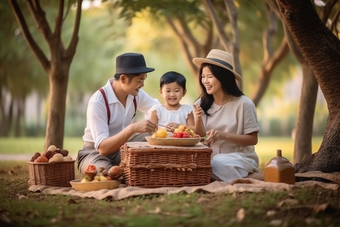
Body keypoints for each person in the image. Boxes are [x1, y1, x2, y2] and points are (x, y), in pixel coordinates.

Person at [77, 52, 160, 174]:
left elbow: (157, 107)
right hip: (94, 152)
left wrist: (152, 125)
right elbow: (103, 148)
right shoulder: (98, 101)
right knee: (106, 173)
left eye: (144, 80)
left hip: (122, 149)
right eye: (140, 80)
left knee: (153, 138)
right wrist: (132, 128)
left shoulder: (136, 94)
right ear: (123, 79)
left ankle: (129, 169)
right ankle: (125, 171)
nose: (142, 85)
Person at [192, 49, 264, 183]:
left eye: (210, 76)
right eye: (203, 76)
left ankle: (267, 178)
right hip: (209, 156)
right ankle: (246, 179)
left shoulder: (244, 104)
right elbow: (200, 137)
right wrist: (197, 119)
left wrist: (223, 135)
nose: (205, 81)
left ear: (223, 77)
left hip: (238, 157)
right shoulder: (201, 103)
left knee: (218, 164)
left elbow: (252, 139)